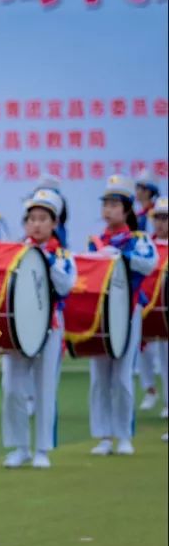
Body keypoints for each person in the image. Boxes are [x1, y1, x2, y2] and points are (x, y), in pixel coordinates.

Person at [1, 190, 76, 469]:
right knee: (12, 389)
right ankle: (20, 447)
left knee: (45, 388)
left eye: (43, 218)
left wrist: (45, 260)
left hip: (50, 326)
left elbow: (67, 284)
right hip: (18, 326)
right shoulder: (15, 252)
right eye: (31, 218)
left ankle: (42, 448)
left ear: (54, 223)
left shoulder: (62, 255)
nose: (36, 224)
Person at [87, 175, 158, 456]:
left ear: (126, 209)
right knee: (99, 377)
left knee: (123, 377)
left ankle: (124, 434)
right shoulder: (94, 241)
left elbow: (149, 264)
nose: (108, 209)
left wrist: (121, 255)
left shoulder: (138, 240)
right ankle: (104, 436)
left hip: (128, 311)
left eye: (114, 204)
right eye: (105, 203)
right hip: (101, 314)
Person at [144, 196, 168, 420]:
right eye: (158, 218)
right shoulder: (146, 246)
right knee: (146, 352)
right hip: (148, 311)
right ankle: (150, 389)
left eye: (165, 218)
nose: (161, 223)